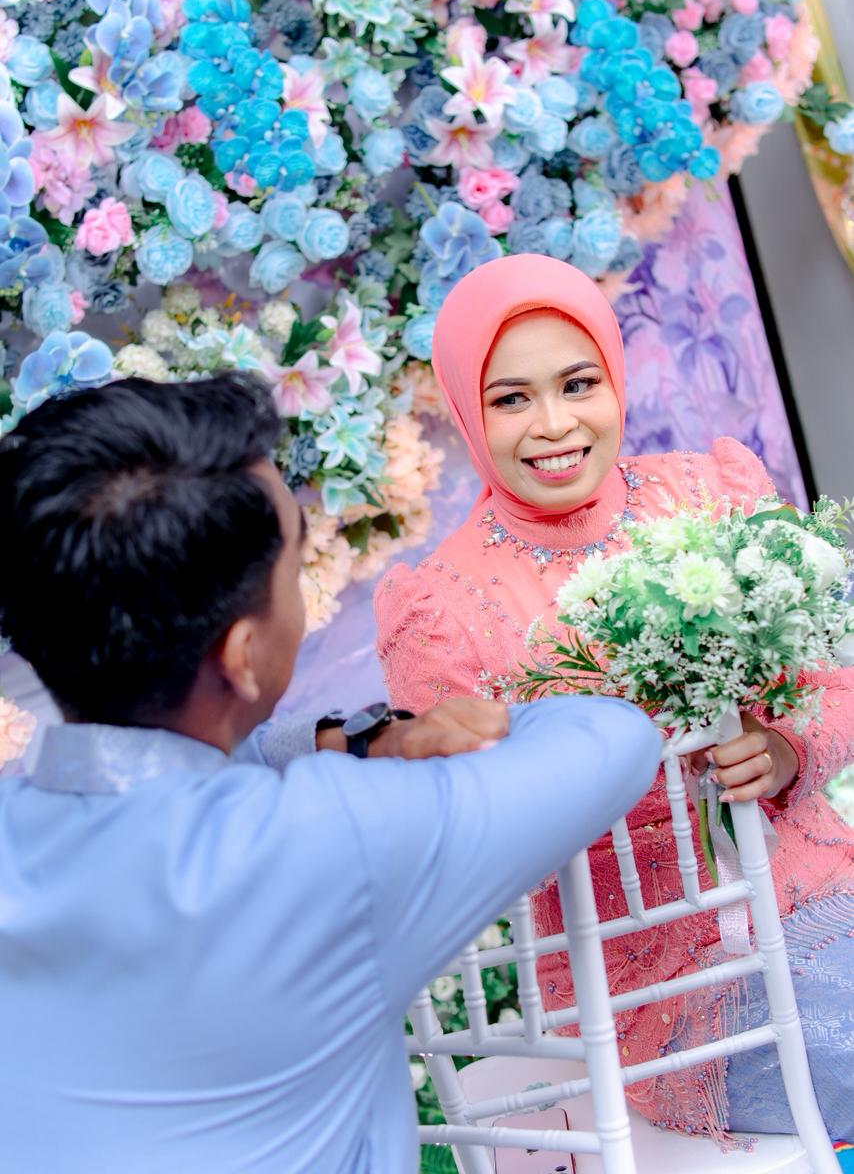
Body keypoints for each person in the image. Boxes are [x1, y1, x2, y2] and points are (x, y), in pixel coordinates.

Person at [0, 372, 661, 1174]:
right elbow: (611, 736)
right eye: (295, 564)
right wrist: (419, 735)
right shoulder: (326, 841)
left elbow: (169, 773)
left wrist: (349, 741)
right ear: (243, 654)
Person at [375, 253, 854, 1143]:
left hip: (829, 892)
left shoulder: (712, 493)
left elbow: (832, 669)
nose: (554, 424)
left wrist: (784, 746)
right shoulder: (440, 610)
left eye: (578, 384)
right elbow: (473, 828)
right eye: (511, 399)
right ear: (467, 412)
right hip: (670, 994)